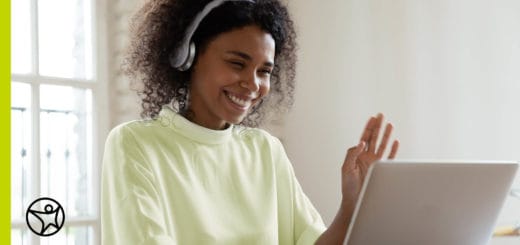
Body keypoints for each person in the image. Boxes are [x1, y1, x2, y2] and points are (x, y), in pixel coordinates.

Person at [101, 0, 399, 244]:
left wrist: (353, 203)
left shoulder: (265, 150)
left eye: (264, 71)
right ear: (188, 58)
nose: (253, 84)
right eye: (237, 63)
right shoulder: (135, 145)